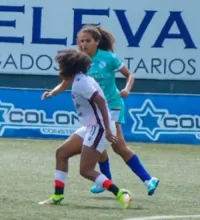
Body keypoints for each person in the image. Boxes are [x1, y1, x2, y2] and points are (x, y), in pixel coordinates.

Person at [44, 25, 159, 196]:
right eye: (81, 41)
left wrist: (127, 89)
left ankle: (148, 179)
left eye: (87, 41)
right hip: (97, 111)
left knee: (118, 147)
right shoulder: (79, 60)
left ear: (97, 42)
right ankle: (105, 181)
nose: (83, 44)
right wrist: (52, 93)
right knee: (98, 145)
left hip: (112, 106)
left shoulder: (108, 58)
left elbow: (130, 75)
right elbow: (66, 82)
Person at [39, 49, 131, 208]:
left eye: (61, 65)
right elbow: (63, 84)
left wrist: (108, 130)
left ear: (68, 67)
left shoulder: (82, 83)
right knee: (62, 153)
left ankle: (120, 192)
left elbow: (101, 101)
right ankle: (57, 196)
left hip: (100, 128)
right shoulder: (77, 78)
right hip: (92, 127)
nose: (59, 68)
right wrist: (51, 93)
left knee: (86, 170)